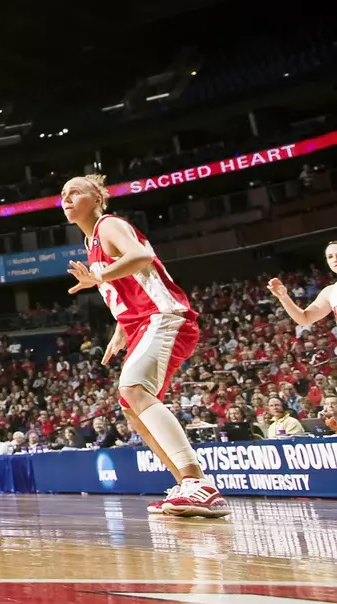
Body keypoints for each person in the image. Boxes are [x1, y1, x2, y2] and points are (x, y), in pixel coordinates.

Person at [61, 174, 227, 518]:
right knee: (130, 406)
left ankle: (199, 484)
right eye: (63, 194)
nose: (66, 198)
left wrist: (100, 277)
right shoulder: (91, 244)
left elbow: (142, 256)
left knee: (133, 387)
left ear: (96, 198)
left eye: (75, 191)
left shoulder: (109, 225)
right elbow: (126, 291)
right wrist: (121, 329)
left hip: (163, 315)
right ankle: (185, 484)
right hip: (140, 323)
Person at [268, 243, 337, 362]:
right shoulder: (330, 292)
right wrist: (283, 297)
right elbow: (304, 318)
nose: (335, 259)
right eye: (330, 256)